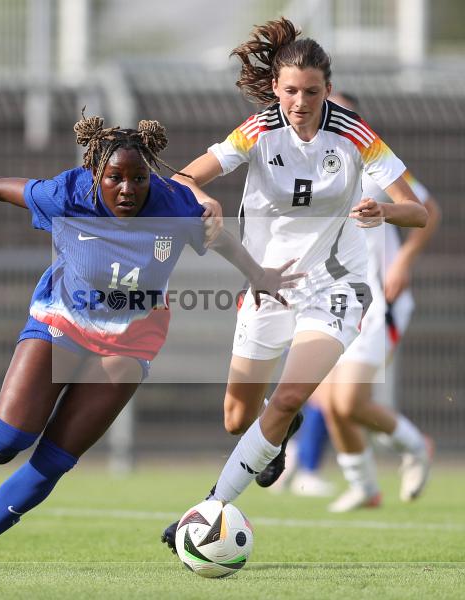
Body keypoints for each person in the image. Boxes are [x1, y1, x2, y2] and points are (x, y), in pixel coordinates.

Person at [0, 114, 302, 569]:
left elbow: (216, 237)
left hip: (129, 341)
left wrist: (259, 275)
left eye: (138, 178)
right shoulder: (67, 193)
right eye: (114, 178)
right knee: (4, 443)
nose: (127, 189)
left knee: (56, 457)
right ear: (95, 175)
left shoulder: (173, 204)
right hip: (62, 320)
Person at [161, 18, 428, 552]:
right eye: (290, 91)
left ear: (328, 89)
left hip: (336, 288)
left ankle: (210, 508)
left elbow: (419, 212)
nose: (300, 102)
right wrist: (202, 199)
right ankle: (277, 434)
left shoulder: (355, 134)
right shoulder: (258, 130)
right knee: (238, 417)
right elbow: (183, 179)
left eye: (311, 91)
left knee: (283, 398)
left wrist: (386, 211)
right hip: (266, 285)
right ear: (276, 89)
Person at [278, 92, 443, 512]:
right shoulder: (306, 171)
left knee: (348, 400)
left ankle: (416, 445)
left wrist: (402, 259)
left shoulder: (372, 163)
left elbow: (427, 210)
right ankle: (365, 488)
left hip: (375, 302)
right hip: (331, 300)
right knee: (330, 401)